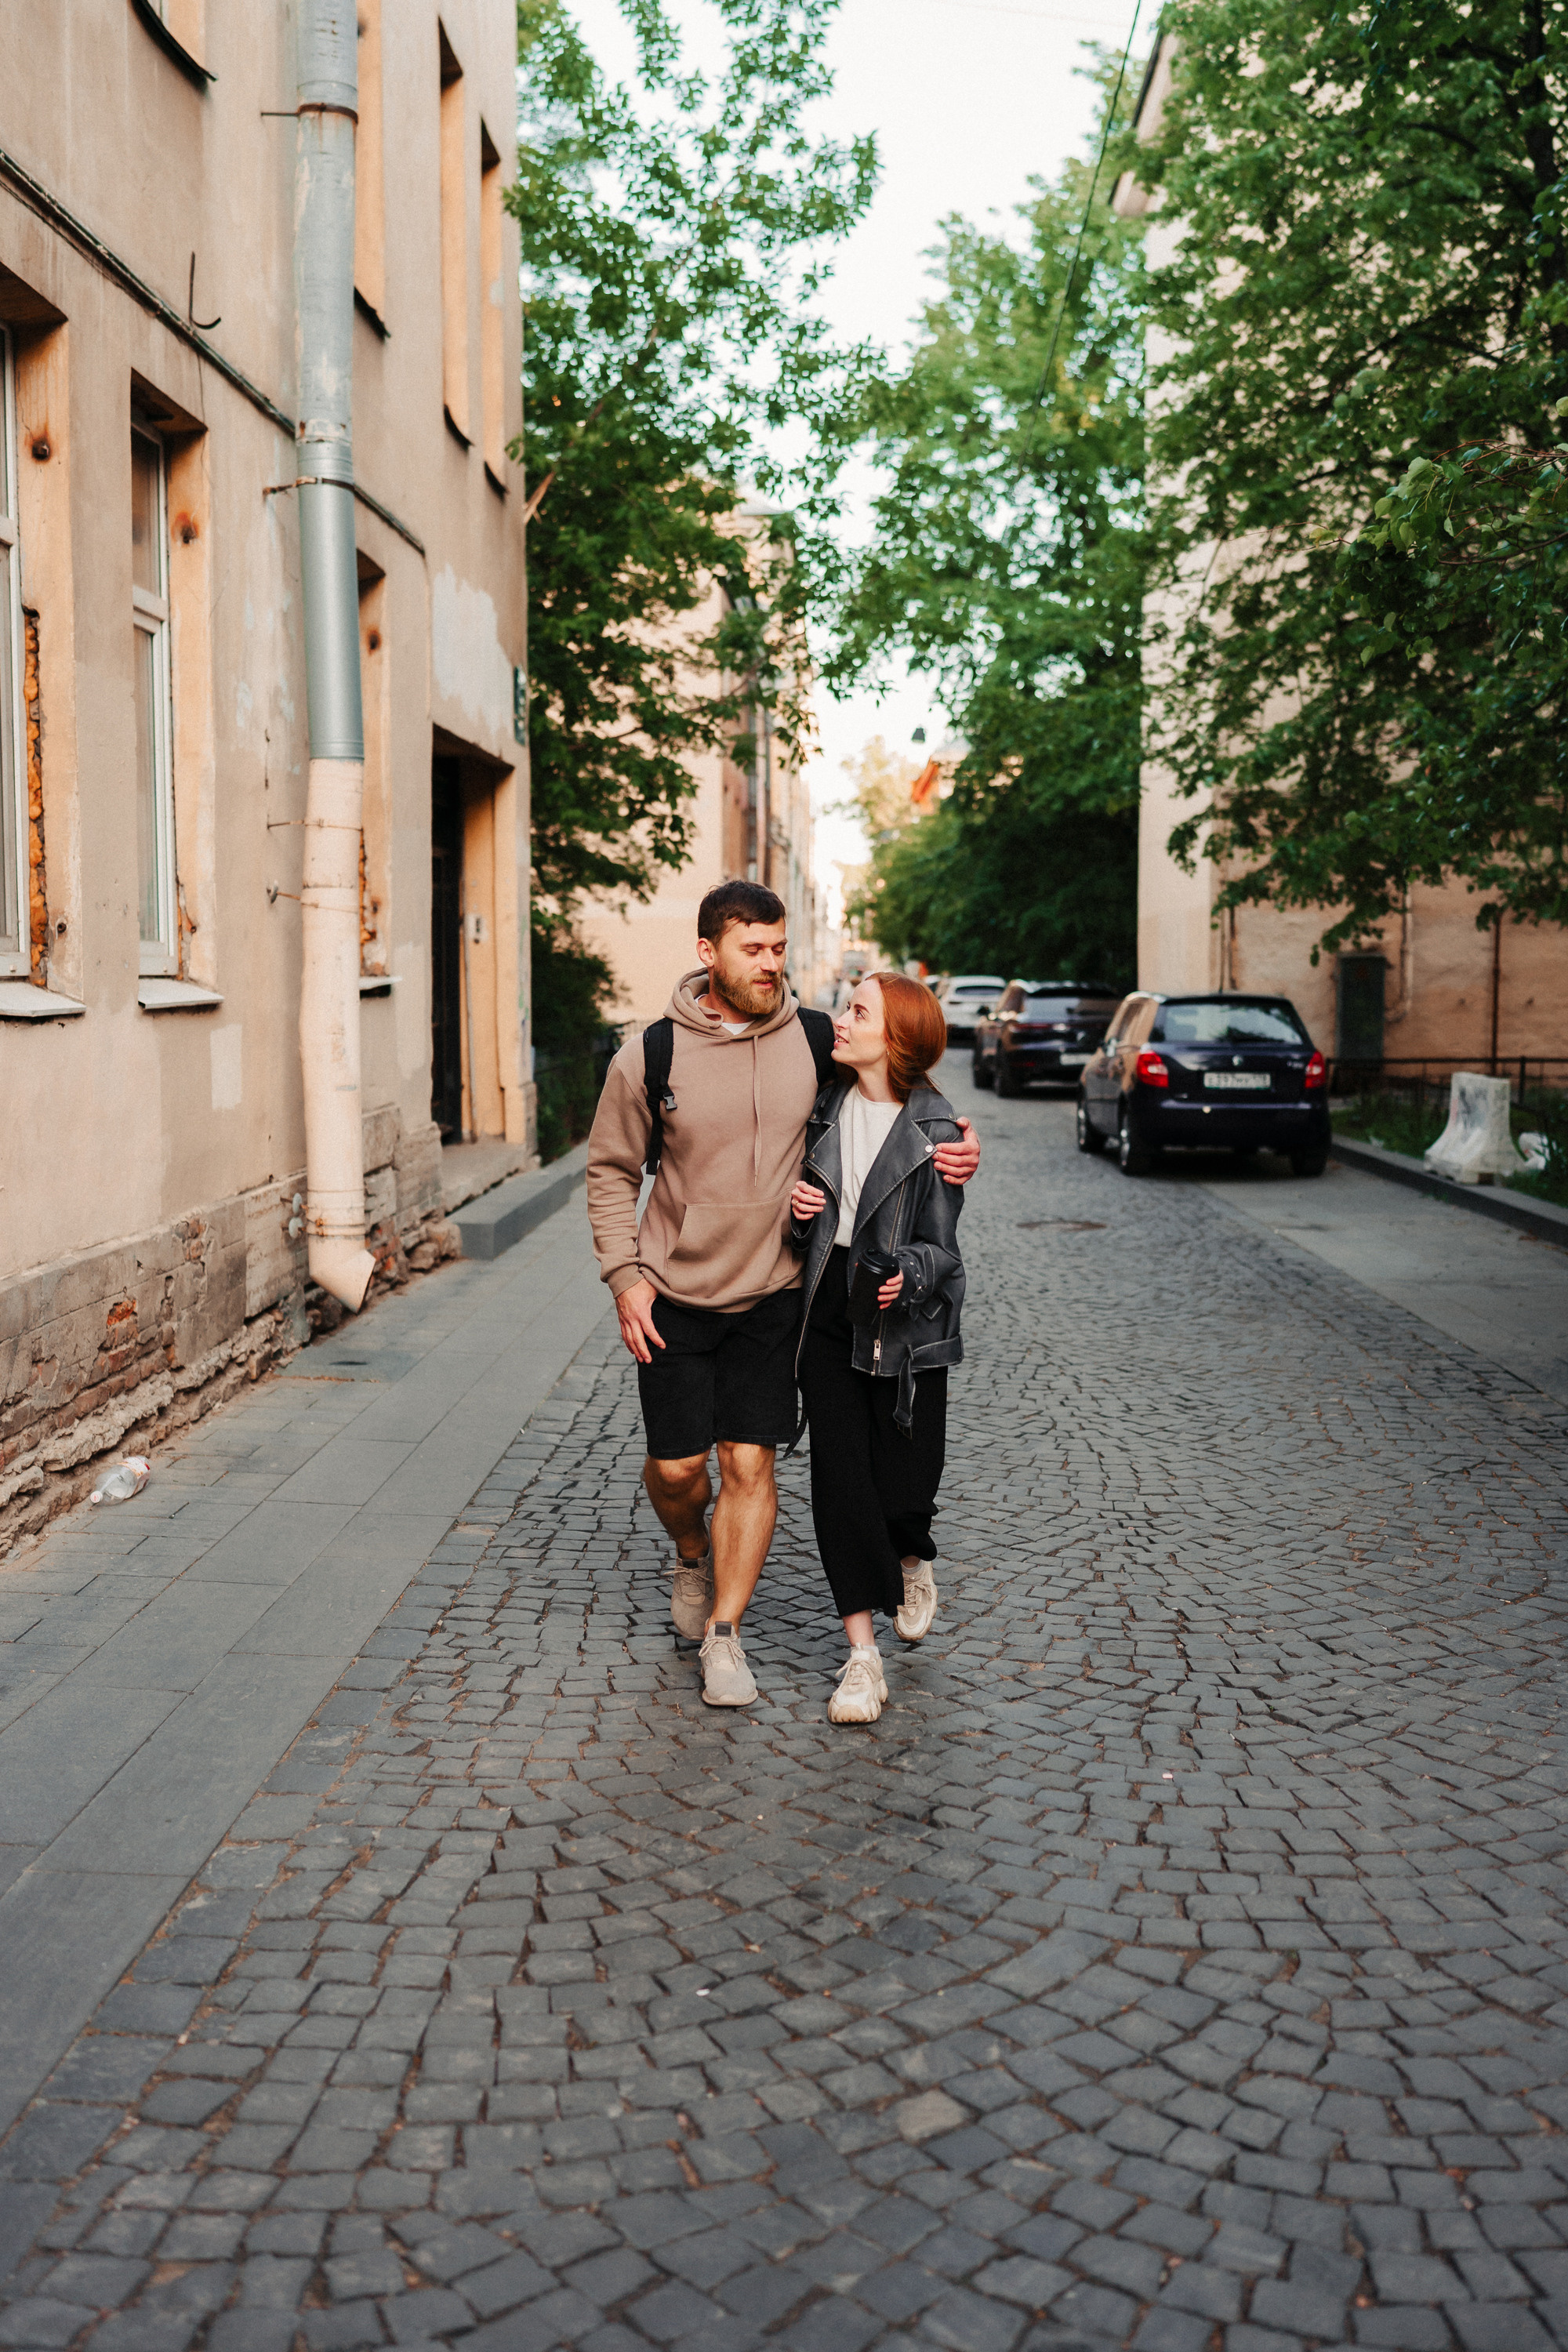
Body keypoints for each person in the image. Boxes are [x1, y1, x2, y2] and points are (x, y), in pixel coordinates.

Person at [584, 881, 981, 1709]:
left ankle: (724, 1635)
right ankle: (691, 1554)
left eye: (778, 948)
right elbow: (611, 1170)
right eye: (752, 950)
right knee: (677, 1469)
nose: (771, 964)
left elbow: (899, 1086)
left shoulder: (813, 1037)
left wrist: (956, 1144)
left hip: (776, 1293)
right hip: (674, 1292)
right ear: (708, 954)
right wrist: (625, 1278)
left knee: (749, 1461)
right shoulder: (648, 1055)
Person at [787, 971, 966, 1726]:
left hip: (905, 1325)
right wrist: (799, 1213)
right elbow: (796, 1216)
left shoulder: (938, 1132)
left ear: (893, 1040)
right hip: (829, 1307)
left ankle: (911, 1556)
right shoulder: (820, 1106)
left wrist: (909, 1275)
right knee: (840, 1480)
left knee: (904, 1489)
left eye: (858, 1012)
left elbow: (943, 1250)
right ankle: (861, 1657)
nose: (842, 1019)